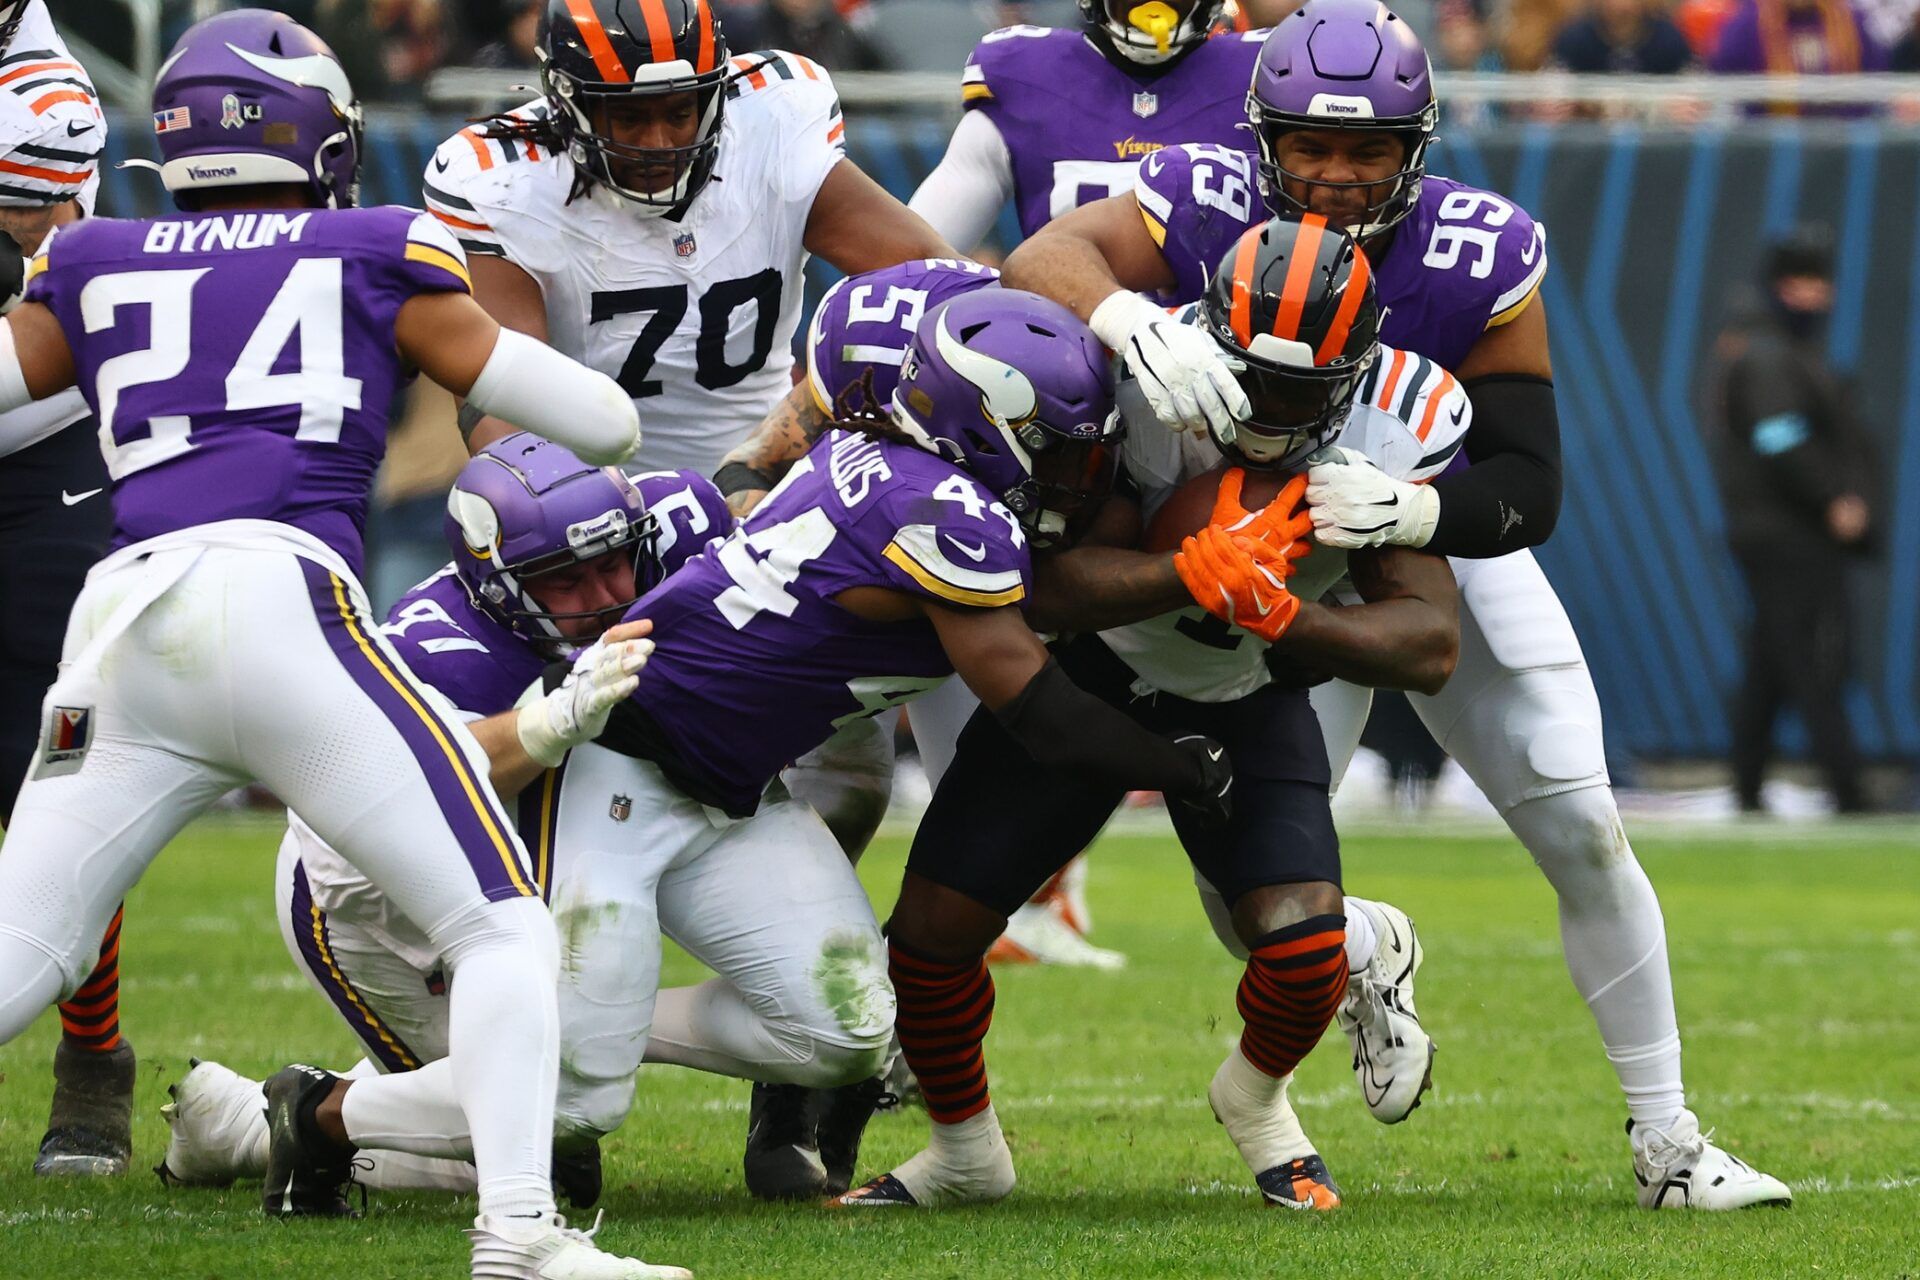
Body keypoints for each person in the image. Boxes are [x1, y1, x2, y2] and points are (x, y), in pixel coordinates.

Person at [1000, 0, 1793, 1209]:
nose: (1332, 175)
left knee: (1580, 817)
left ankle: (1671, 1141)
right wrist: (1118, 313)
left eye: (1366, 150)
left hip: (1409, 541)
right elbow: (1045, 259)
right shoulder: (1202, 192)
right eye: (1310, 147)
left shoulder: (1476, 248)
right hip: (1268, 567)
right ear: (1263, 137)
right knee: (1250, 904)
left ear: (1415, 148)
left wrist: (1420, 514)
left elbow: (1533, 481)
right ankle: (1367, 945)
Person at [0, 13, 681, 1277]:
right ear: (319, 140)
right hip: (275, 599)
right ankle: (523, 1237)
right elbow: (599, 421)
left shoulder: (96, 255)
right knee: (498, 931)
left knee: (21, 951)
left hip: (122, 616)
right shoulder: (373, 243)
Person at [839, 216, 1457, 1210]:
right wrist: (1183, 573)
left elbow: (1431, 642)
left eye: (1302, 389)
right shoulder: (1137, 384)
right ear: (1208, 336)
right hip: (1092, 674)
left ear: (1356, 370)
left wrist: (1287, 614)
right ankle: (964, 1149)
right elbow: (1046, 585)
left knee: (1301, 950)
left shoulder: (1393, 423)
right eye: (1251, 376)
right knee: (929, 934)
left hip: (1248, 692)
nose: (1267, 408)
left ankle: (1258, 1103)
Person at [164, 437, 882, 1214]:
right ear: (494, 584)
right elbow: (415, 782)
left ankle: (570, 1038)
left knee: (843, 1028)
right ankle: (253, 1122)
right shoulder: (436, 644)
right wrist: (547, 720)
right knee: (528, 1134)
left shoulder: (679, 521)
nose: (606, 591)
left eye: (614, 561)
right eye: (566, 579)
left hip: (608, 812)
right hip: (381, 889)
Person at [893, 0, 1265, 968]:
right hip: (1056, 433)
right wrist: (982, 305)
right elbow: (918, 245)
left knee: (1231, 729)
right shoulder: (1025, 70)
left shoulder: (1270, 74)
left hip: (1222, 440)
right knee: (983, 655)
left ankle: (1301, 903)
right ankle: (974, 923)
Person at [0, 0, 132, 1181]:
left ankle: (93, 1056)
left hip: (33, 447)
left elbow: (35, 285)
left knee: (55, 764)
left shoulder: (42, 96)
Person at [1713, 227, 1875, 814]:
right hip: (1786, 533)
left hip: (1777, 531)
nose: (1814, 296)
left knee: (1773, 660)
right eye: (1800, 283)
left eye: (1820, 283)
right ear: (1777, 288)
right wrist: (1835, 496)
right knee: (1812, 659)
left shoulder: (1784, 351)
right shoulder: (1768, 355)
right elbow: (1779, 437)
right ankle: (1848, 787)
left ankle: (1747, 784)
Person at [1550, 0, 1696, 70]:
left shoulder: (1670, 39)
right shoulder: (1574, 38)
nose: (1623, 4)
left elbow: (1696, 90)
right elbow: (1551, 93)